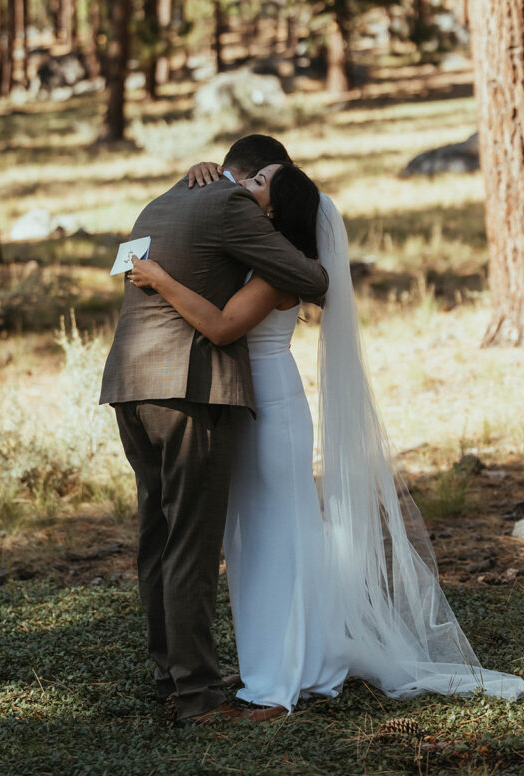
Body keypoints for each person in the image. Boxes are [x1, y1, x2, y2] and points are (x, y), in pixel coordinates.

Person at [129, 161, 524, 713]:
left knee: (277, 536)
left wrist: (161, 279)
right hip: (238, 405)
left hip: (271, 410)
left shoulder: (279, 273)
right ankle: (273, 658)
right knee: (251, 540)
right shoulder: (252, 251)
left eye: (258, 181)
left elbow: (222, 326)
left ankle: (284, 671)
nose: (244, 183)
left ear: (275, 209)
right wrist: (207, 172)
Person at [99, 135, 329, 727]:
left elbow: (133, 269)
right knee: (193, 544)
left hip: (130, 382)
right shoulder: (228, 206)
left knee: (157, 533)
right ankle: (199, 697)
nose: (251, 193)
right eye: (257, 181)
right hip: (186, 390)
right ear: (244, 179)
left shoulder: (165, 198)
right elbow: (312, 277)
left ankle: (170, 675)